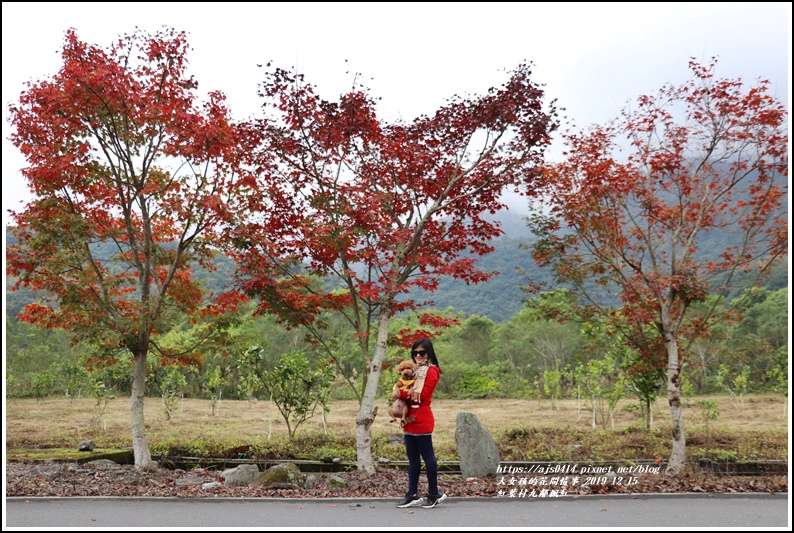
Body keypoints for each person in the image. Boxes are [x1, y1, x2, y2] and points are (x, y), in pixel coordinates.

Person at [394, 338, 448, 509]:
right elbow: (404, 387)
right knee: (412, 459)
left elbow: (423, 395)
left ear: (429, 353)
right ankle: (412, 494)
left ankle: (434, 493)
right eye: (415, 352)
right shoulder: (415, 371)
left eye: (422, 352)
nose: (418, 355)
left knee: (428, 456)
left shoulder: (432, 371)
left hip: (422, 418)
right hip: (409, 419)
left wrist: (400, 394)